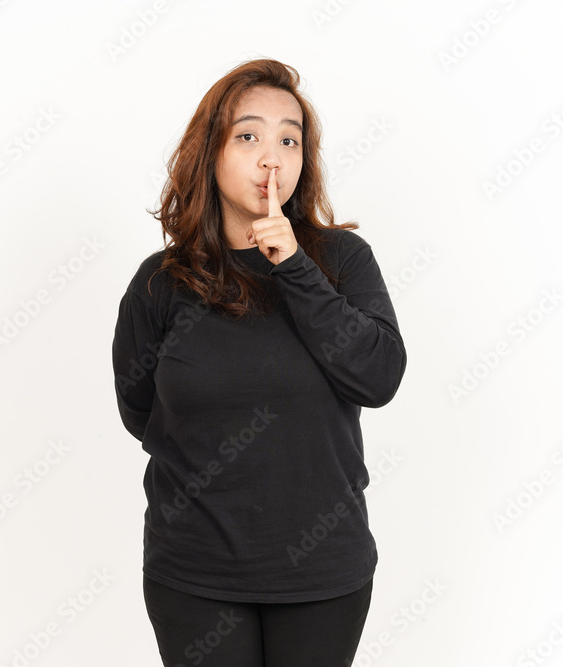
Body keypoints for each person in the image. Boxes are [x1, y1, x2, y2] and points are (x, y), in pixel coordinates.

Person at [112, 57, 407, 666]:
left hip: (323, 574)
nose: (272, 158)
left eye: (289, 141)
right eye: (248, 137)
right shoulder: (161, 283)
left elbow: (378, 378)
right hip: (193, 573)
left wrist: (295, 268)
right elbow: (142, 412)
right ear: (210, 152)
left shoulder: (342, 261)